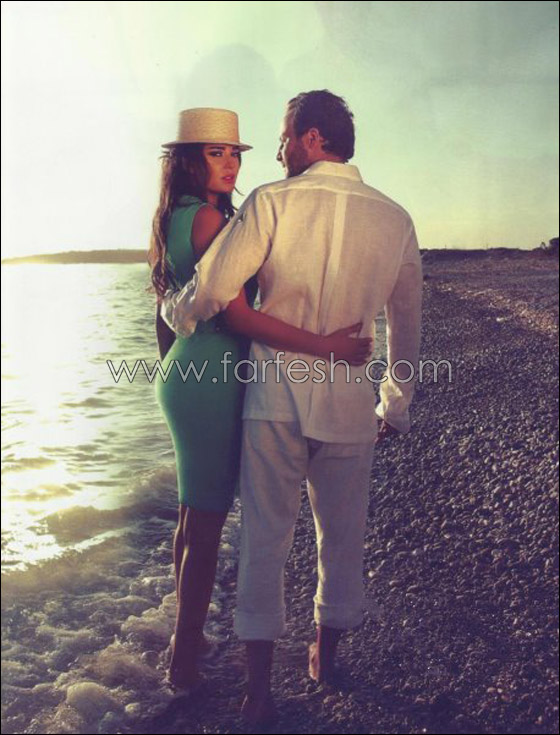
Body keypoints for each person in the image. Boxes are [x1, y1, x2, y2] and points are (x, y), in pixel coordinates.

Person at [161, 92, 423, 726]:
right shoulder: (396, 218)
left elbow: (213, 288)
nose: (276, 152)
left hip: (274, 399)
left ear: (309, 138)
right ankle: (324, 662)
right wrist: (394, 404)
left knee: (264, 542)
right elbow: (406, 324)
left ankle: (257, 691)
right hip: (349, 404)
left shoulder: (270, 203)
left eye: (281, 138)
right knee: (343, 539)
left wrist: (174, 310)